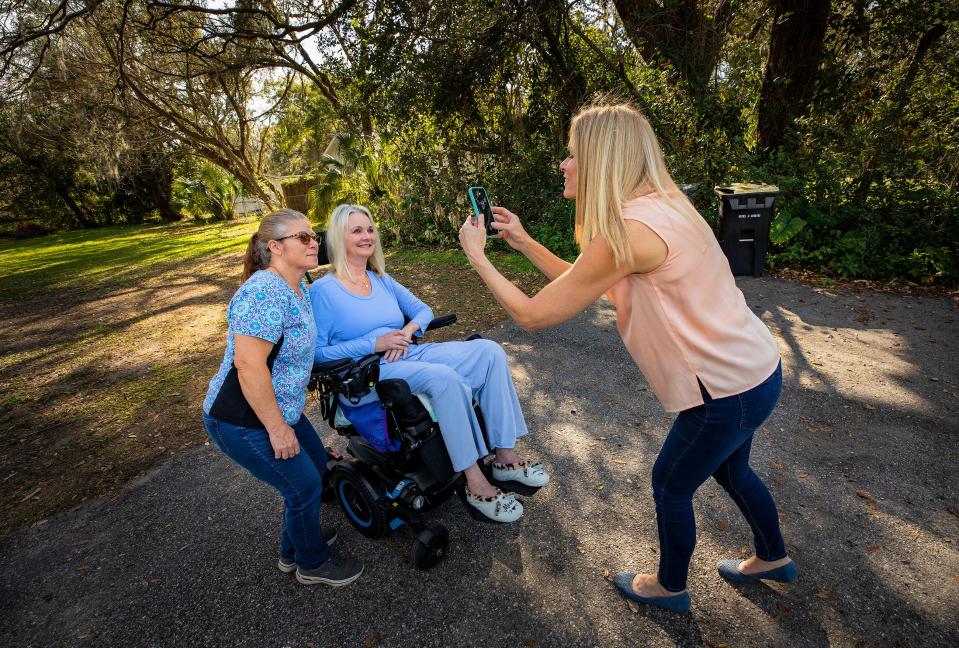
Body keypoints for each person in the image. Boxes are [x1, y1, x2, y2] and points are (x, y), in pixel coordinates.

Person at [458, 102, 796, 612]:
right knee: (732, 472)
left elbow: (531, 315)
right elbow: (588, 284)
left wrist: (478, 258)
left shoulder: (630, 232)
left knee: (670, 484)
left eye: (571, 155)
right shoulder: (665, 205)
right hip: (755, 373)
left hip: (723, 391)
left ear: (601, 157)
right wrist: (524, 242)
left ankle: (670, 586)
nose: (563, 165)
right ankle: (773, 557)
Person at [310, 204, 549, 523]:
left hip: (407, 353)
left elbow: (423, 310)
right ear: (339, 238)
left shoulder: (379, 278)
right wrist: (375, 343)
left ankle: (505, 459)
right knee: (442, 378)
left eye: (370, 229)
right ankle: (475, 482)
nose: (367, 236)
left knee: (488, 351)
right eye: (357, 230)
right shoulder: (324, 290)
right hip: (368, 372)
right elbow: (316, 354)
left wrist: (407, 331)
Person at [202, 208, 363, 587]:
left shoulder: (298, 285)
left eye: (314, 235)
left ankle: (294, 548)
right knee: (302, 485)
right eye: (303, 238)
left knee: (315, 469)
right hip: (243, 418)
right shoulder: (262, 293)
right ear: (274, 247)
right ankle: (312, 563)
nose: (315, 243)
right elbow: (248, 366)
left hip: (279, 407)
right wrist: (276, 429)